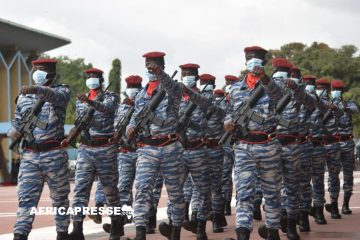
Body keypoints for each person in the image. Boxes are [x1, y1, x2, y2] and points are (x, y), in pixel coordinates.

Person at [224, 46, 283, 240]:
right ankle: (242, 233)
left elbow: (278, 96)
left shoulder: (273, 85)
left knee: (272, 193)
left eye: (257, 59)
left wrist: (265, 78)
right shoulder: (235, 88)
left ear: (263, 63)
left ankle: (273, 231)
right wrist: (228, 123)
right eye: (250, 58)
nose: (253, 62)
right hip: (244, 146)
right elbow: (229, 112)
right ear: (245, 62)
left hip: (268, 145)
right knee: (244, 192)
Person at [8, 58, 71, 240]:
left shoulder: (62, 91)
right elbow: (17, 121)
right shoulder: (24, 97)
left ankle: (62, 233)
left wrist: (37, 89)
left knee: (60, 199)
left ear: (51, 72)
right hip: (30, 155)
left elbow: (57, 97)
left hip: (54, 154)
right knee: (26, 198)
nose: (37, 73)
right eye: (35, 69)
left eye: (41, 69)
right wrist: (16, 132)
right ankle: (20, 234)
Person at [126, 52, 184, 240]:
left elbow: (172, 88)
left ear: (162, 66)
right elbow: (135, 116)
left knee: (175, 192)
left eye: (154, 65)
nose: (150, 68)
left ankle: (175, 231)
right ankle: (140, 232)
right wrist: (131, 127)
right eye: (148, 65)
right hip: (147, 149)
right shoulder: (142, 93)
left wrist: (161, 75)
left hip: (170, 147)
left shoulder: (171, 88)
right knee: (142, 188)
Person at [69, 67, 123, 240]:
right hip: (85, 148)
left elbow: (107, 109)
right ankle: (77, 228)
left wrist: (91, 102)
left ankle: (116, 224)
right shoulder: (80, 100)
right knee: (80, 189)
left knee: (110, 191)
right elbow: (81, 121)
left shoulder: (111, 97)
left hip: (105, 149)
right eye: (89, 76)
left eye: (94, 76)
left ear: (101, 80)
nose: (91, 79)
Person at [327, 80, 358, 214]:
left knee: (348, 174)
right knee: (333, 174)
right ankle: (334, 205)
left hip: (347, 144)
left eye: (338, 89)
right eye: (334, 88)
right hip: (334, 143)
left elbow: (354, 109)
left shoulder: (348, 103)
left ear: (342, 91)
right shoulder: (327, 103)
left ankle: (345, 204)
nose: (336, 91)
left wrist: (342, 107)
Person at [222, 75, 239, 217]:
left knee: (241, 176)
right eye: (228, 83)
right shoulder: (223, 102)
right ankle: (226, 204)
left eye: (231, 83)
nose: (229, 85)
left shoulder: (241, 99)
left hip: (242, 143)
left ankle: (250, 204)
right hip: (227, 145)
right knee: (225, 176)